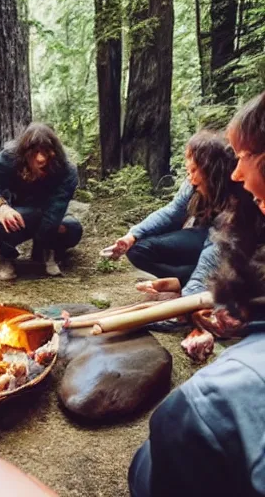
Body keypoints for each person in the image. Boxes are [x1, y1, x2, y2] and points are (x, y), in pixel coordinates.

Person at [128, 91, 265, 497]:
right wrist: (131, 236)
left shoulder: (240, 201)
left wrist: (182, 308)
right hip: (211, 262)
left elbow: (217, 250)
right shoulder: (209, 192)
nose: (238, 171)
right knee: (150, 249)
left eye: (244, 156)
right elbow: (172, 215)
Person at [108, 131, 242, 297]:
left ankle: (193, 282)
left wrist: (190, 293)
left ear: (212, 170)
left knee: (216, 263)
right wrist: (132, 235)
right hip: (202, 234)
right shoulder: (192, 184)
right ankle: (187, 278)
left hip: (234, 246)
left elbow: (216, 246)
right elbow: (172, 212)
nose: (191, 179)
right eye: (188, 171)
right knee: (138, 250)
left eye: (194, 171)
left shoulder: (239, 189)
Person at [0, 122, 82, 280]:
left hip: (48, 215)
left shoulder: (66, 170)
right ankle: (6, 256)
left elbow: (56, 209)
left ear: (54, 152)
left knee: (72, 229)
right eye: (35, 152)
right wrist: (0, 206)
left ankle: (44, 252)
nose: (41, 158)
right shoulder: (10, 157)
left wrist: (43, 243)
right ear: (25, 152)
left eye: (46, 152)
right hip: (19, 214)